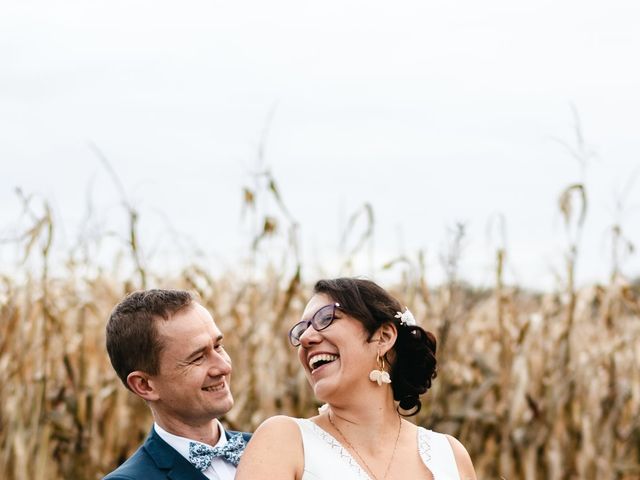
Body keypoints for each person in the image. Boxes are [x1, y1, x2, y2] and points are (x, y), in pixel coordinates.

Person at [236, 277, 476, 480]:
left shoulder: (449, 455)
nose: (307, 338)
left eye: (325, 318)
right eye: (301, 330)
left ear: (383, 337)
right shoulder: (284, 440)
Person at [103, 289, 251, 480]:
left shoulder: (276, 449)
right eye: (198, 358)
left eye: (217, 346)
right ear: (144, 385)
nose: (223, 367)